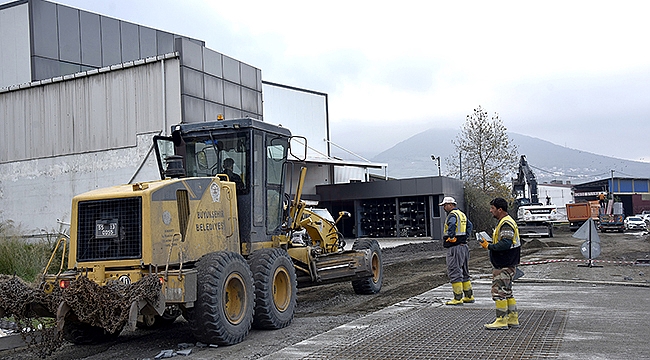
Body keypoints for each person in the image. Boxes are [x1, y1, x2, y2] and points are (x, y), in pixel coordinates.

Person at [479, 197, 521, 330]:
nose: (491, 211)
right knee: (507, 292)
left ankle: (501, 320)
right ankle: (512, 319)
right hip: (508, 262)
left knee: (498, 293)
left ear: (500, 209)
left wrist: (489, 246)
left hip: (504, 263)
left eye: (492, 208)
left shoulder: (505, 223)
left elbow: (505, 243)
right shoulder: (506, 222)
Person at [439, 196, 474, 305]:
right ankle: (468, 296)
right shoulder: (461, 214)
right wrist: (465, 236)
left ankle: (457, 298)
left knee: (454, 270)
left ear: (450, 205)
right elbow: (470, 225)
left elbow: (453, 224)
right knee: (464, 271)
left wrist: (451, 236)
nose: (444, 208)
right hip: (463, 246)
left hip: (454, 247)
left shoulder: (452, 215)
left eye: (445, 205)